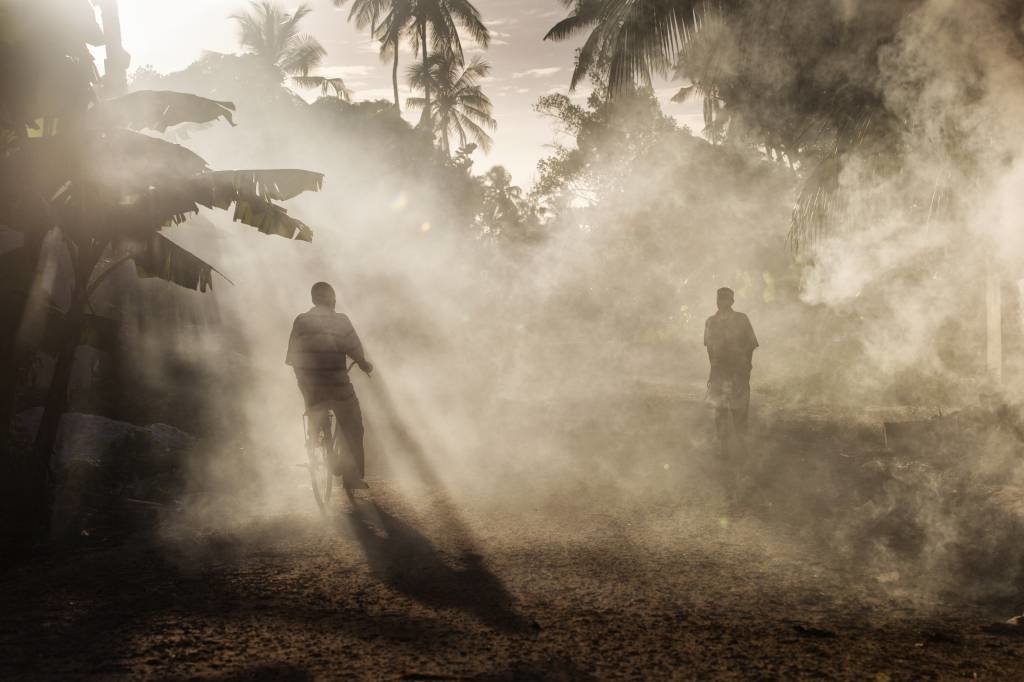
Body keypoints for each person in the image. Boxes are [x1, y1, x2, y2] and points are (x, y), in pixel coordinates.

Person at [286, 282, 373, 489]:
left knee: (314, 404)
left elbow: (291, 357)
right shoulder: (341, 321)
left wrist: (305, 376)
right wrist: (364, 365)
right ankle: (352, 478)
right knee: (353, 425)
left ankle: (315, 433)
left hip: (310, 386)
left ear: (313, 300)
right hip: (338, 387)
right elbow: (355, 349)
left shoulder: (300, 321)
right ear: (332, 299)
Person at [704, 287, 758, 454]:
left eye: (726, 298)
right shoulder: (711, 322)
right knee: (720, 410)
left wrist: (747, 367)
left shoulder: (742, 320)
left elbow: (750, 345)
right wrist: (713, 371)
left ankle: (742, 446)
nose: (722, 302)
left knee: (740, 409)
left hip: (738, 371)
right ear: (716, 300)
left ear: (732, 301)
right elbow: (709, 348)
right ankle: (724, 447)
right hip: (719, 372)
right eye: (720, 298)